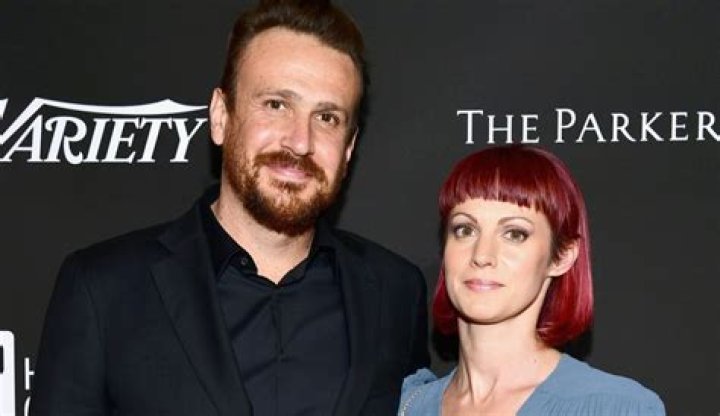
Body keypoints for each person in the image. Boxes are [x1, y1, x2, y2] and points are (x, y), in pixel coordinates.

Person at [30, 1, 429, 415]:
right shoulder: (104, 289)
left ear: (348, 148)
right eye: (276, 105)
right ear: (221, 116)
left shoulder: (395, 293)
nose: (300, 141)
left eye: (327, 117)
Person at [399, 145, 664, 415]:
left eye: (515, 234)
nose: (482, 255)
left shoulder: (616, 407)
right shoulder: (406, 406)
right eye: (465, 229)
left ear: (562, 257)